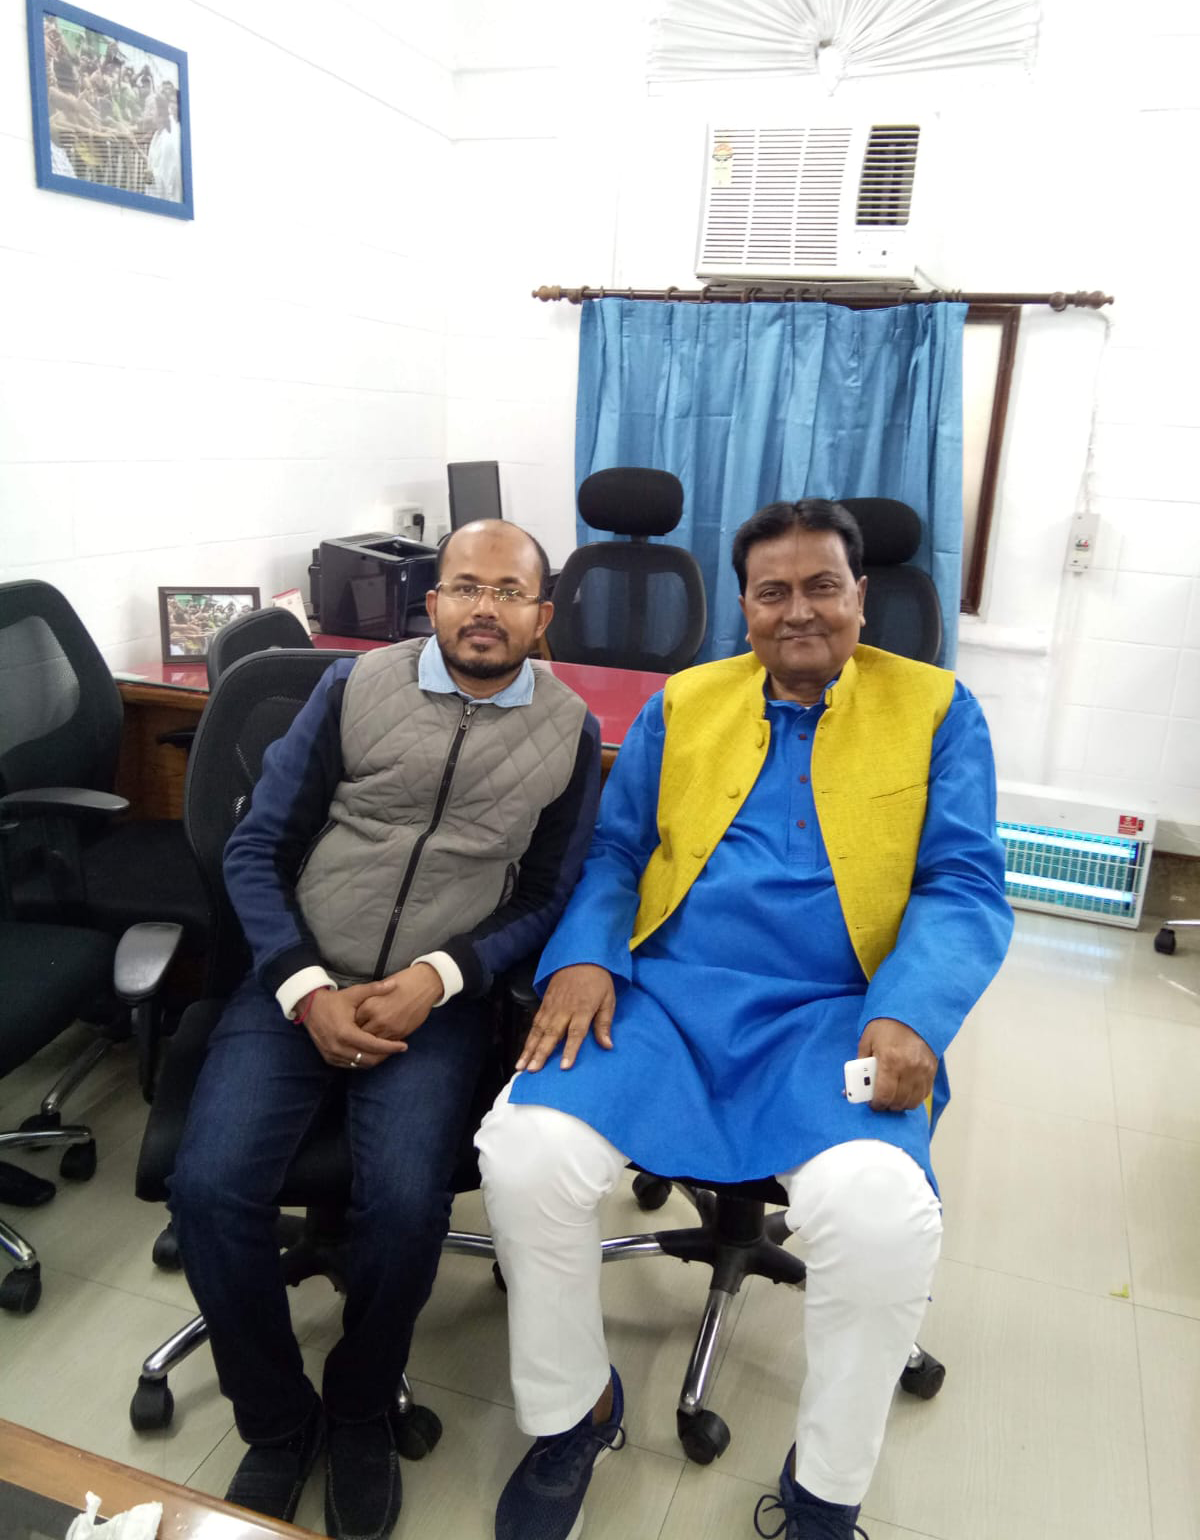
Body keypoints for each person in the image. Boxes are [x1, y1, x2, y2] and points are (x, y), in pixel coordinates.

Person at [476, 498, 1014, 1540]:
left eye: (823, 587)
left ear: (862, 597)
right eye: (774, 592)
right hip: (664, 1000)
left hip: (839, 1015)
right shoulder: (686, 701)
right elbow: (618, 851)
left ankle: (825, 1492)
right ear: (745, 607)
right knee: (524, 1152)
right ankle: (573, 1412)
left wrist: (912, 1011)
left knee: (880, 1216)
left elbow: (962, 883)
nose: (798, 610)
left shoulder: (938, 709)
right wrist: (585, 957)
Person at [169, 521, 601, 1540]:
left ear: (541, 616)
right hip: (302, 977)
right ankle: (279, 1422)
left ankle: (361, 1407)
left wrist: (439, 976)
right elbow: (255, 848)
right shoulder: (353, 687)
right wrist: (304, 985)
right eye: (465, 586)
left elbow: (548, 894)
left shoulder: (572, 729)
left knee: (407, 1204)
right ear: (432, 601)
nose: (484, 608)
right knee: (209, 1188)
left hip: (434, 1003)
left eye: (509, 592)